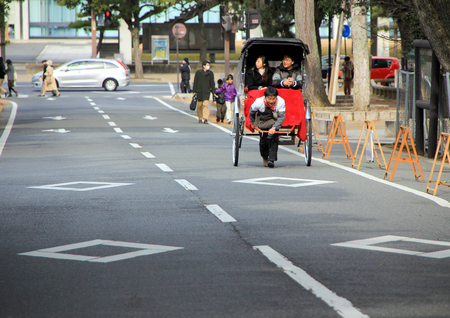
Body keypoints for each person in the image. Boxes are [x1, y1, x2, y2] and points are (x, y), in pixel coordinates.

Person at [249, 86, 285, 168]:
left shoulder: (281, 102)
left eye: (273, 98)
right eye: (269, 98)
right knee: (263, 141)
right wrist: (252, 122)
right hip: (263, 120)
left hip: (274, 121)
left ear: (276, 97)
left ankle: (271, 160)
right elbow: (251, 112)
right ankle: (265, 157)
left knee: (274, 137)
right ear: (265, 97)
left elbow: (281, 117)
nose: (272, 101)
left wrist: (274, 128)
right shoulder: (259, 102)